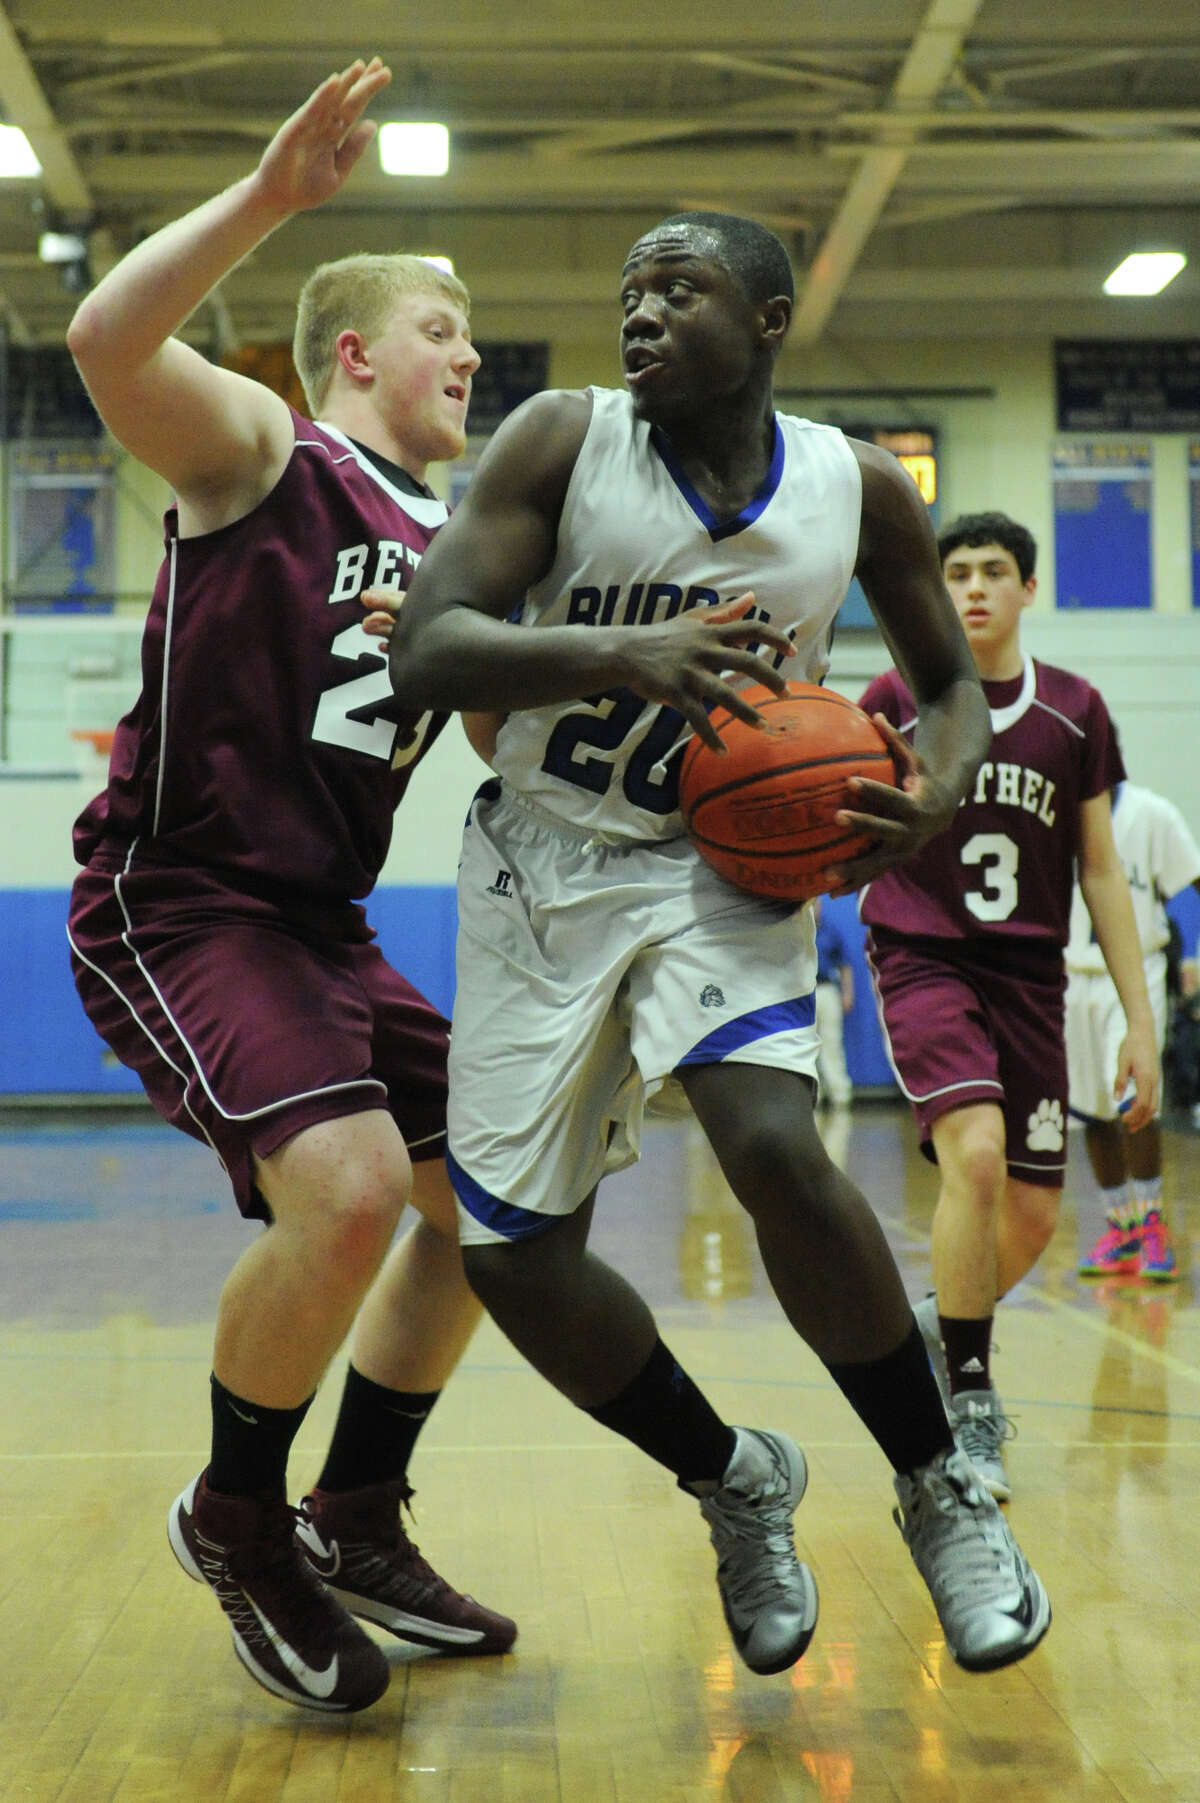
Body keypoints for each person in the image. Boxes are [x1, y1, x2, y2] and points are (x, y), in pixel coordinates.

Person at [381, 210, 1051, 1675]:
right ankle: (733, 1476)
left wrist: (932, 793)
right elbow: (428, 643)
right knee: (510, 1256)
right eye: (626, 289)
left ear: (765, 318)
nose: (639, 313)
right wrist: (623, 649)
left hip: (720, 866)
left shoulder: (854, 484)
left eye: (676, 290)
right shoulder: (562, 440)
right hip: (540, 860)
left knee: (772, 1143)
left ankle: (941, 1484)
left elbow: (950, 688)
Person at [63, 59, 515, 1715]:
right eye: (442, 334)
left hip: (324, 925)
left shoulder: (459, 543)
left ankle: (359, 1509)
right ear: (353, 354)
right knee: (345, 1189)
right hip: (182, 897)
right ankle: (237, 1513)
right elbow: (105, 344)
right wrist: (267, 203)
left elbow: (492, 727)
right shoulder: (265, 448)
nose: (469, 358)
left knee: (506, 1189)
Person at [858, 510, 1160, 1504]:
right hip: (924, 955)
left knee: (1030, 1216)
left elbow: (1105, 874)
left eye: (995, 571)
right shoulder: (893, 701)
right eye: (957, 572)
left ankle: (930, 1342)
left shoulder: (1074, 711)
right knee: (975, 1156)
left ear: (1029, 589)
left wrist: (1141, 1023)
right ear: (934, 592)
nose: (975, 587)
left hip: (1032, 975)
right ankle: (972, 1403)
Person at [1068, 778, 1200, 1280]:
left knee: (1135, 1101)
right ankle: (1121, 1226)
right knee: (1094, 1111)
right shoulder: (1056, 813)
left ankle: (1152, 1223)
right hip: (1071, 976)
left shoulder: (1154, 814)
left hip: (1134, 970)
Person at [813, 896, 855, 1107]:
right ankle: (813, 1096)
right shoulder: (796, 933)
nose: (814, 909)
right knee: (806, 1047)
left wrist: (847, 993)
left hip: (828, 990)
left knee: (831, 1042)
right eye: (810, 905)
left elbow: (845, 965)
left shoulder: (830, 931)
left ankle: (840, 1095)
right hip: (803, 994)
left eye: (817, 904)